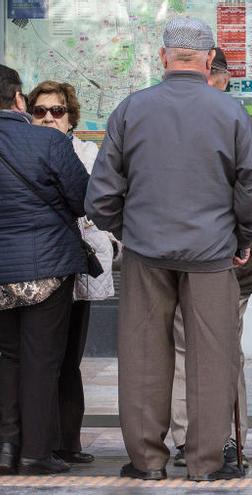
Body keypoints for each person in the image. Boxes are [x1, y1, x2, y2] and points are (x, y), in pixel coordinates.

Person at [86, 17, 252, 481]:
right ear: (209, 59)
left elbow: (100, 198)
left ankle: (147, 462)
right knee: (212, 358)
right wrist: (244, 239)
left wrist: (129, 231)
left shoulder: (130, 109)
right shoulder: (232, 114)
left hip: (147, 254)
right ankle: (206, 463)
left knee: (143, 356)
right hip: (212, 255)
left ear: (163, 56)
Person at [168, 46, 252, 469]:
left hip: (229, 264)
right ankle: (189, 438)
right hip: (178, 260)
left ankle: (221, 437)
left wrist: (247, 245)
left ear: (221, 80)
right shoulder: (169, 121)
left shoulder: (244, 125)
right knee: (187, 349)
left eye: (211, 79)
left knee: (219, 351)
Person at [0, 65, 90, 475]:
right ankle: (36, 452)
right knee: (42, 360)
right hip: (47, 268)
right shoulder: (48, 142)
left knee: (6, 357)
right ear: (18, 99)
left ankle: (6, 448)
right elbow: (81, 199)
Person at [26, 80, 119, 467]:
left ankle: (68, 440)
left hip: (75, 269)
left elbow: (96, 206)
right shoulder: (22, 150)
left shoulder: (86, 153)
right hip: (36, 270)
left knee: (69, 359)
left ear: (70, 117)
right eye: (41, 111)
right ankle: (39, 442)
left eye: (57, 111)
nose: (49, 117)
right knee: (39, 359)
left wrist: (108, 241)